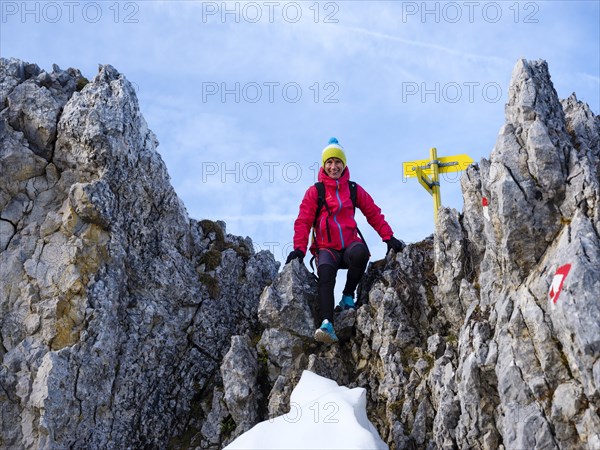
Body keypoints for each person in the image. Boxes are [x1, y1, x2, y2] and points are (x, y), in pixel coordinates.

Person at [286, 137, 405, 344]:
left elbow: (373, 213)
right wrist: (299, 249)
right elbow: (303, 221)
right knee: (325, 275)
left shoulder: (353, 189)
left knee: (361, 253)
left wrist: (388, 237)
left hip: (350, 245)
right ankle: (326, 324)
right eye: (330, 162)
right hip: (326, 249)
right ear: (324, 165)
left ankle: (348, 296)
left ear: (344, 164)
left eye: (338, 162)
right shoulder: (316, 192)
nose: (334, 166)